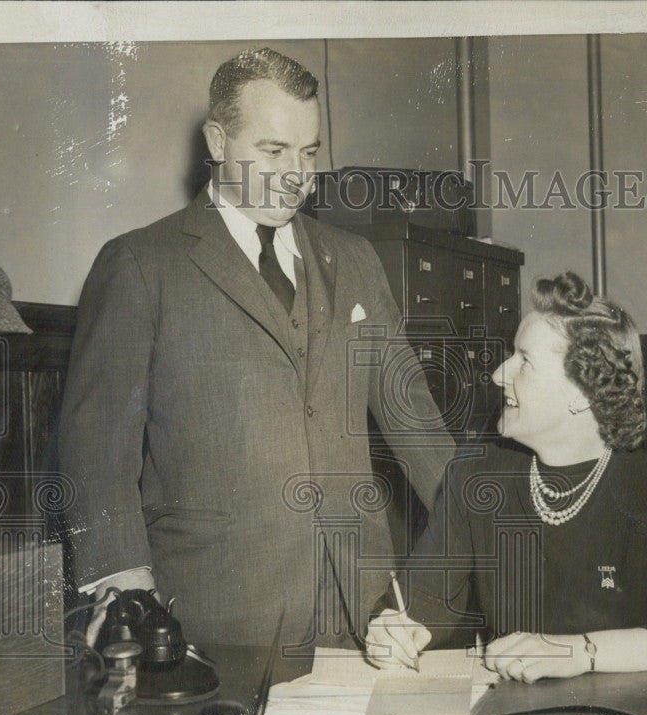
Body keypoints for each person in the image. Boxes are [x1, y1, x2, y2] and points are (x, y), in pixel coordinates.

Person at [58, 48, 455, 650]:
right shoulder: (142, 264)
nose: (296, 173)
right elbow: (97, 445)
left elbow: (417, 424)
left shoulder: (354, 261)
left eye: (310, 151)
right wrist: (125, 590)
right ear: (218, 141)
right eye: (273, 150)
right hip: (212, 614)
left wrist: (485, 546)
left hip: (363, 612)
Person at [365, 272, 647, 680]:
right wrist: (392, 629)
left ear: (581, 393)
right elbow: (422, 600)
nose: (500, 374)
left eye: (524, 361)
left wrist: (580, 652)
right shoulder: (475, 477)